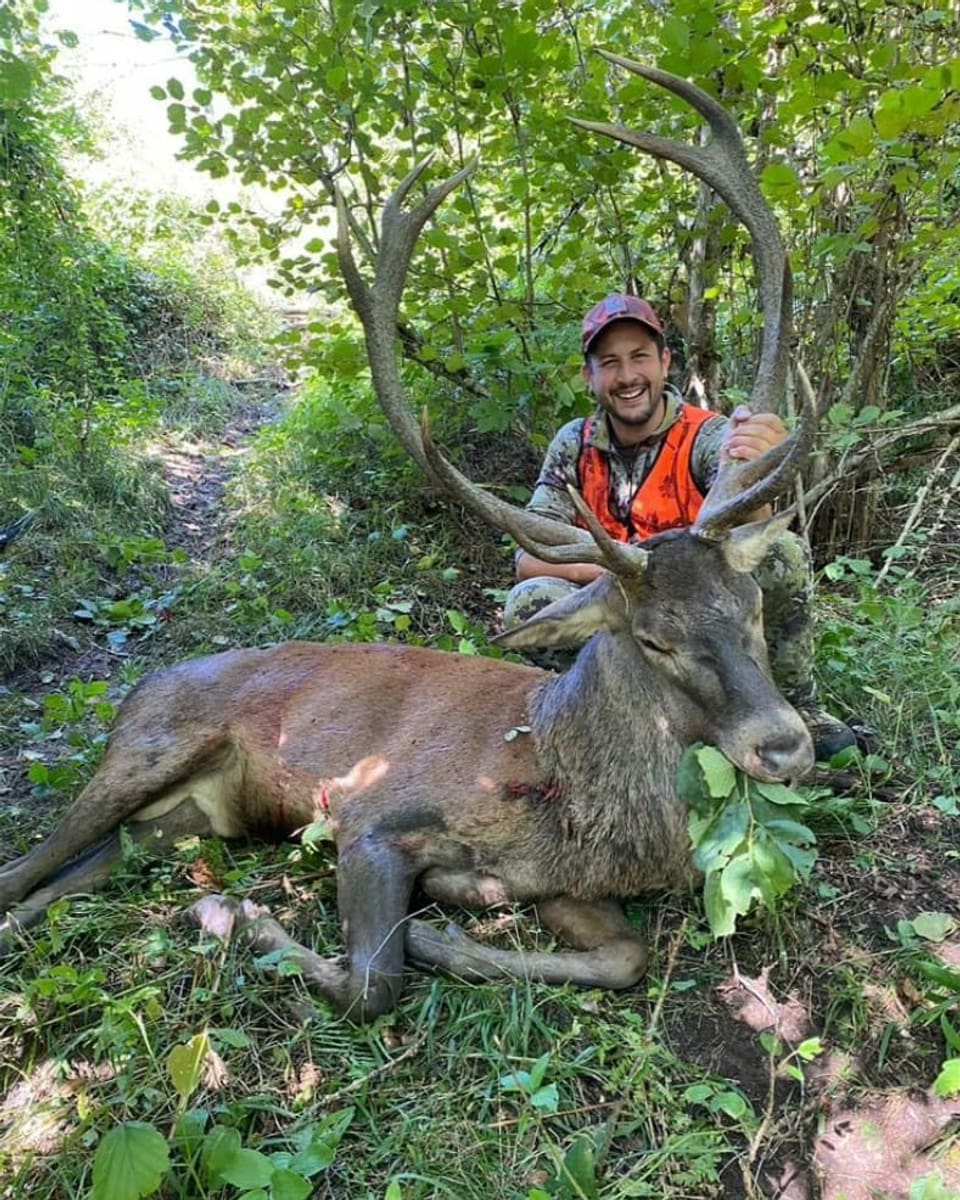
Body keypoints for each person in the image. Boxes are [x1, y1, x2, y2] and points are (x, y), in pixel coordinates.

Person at [502, 293, 856, 762]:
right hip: (636, 611)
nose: (627, 376)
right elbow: (530, 555)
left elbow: (749, 524)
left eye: (639, 357)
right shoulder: (573, 444)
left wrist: (760, 464)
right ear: (590, 377)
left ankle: (798, 704)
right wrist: (631, 579)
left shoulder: (709, 435)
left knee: (781, 553)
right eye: (609, 362)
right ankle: (622, 712)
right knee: (529, 603)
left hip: (709, 607)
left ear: (665, 362)